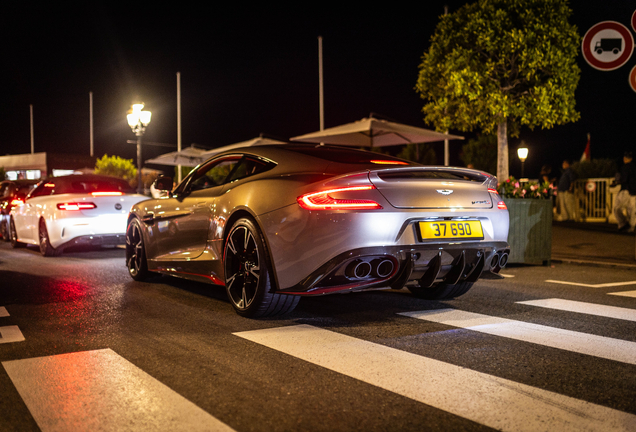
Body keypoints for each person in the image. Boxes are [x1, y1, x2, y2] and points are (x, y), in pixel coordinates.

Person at [612, 151, 636, 232]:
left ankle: (623, 223)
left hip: (626, 190)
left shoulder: (624, 167)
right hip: (634, 192)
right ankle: (632, 227)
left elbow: (624, 180)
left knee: (617, 208)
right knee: (632, 210)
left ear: (624, 158)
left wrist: (616, 182)